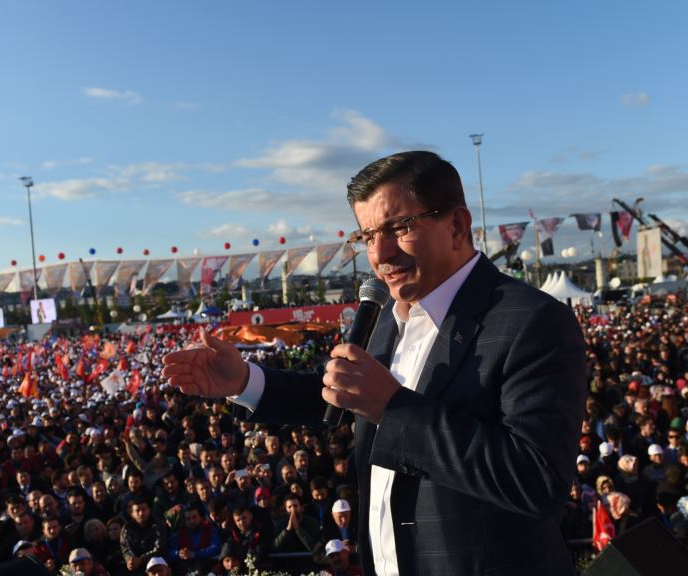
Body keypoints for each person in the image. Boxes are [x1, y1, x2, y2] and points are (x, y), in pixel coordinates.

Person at [162, 151, 587, 575]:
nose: (380, 254)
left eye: (399, 227)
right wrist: (245, 380)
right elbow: (342, 392)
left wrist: (393, 408)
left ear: (456, 226)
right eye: (367, 236)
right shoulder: (388, 315)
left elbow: (537, 479)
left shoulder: (532, 320)